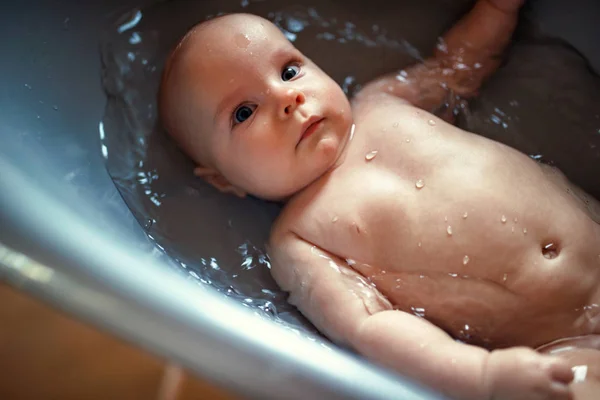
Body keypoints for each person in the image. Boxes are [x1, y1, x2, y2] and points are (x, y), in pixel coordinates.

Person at [158, 0, 600, 398]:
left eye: (289, 70)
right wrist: (482, 375)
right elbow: (372, 327)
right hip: (561, 348)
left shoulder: (381, 101)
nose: (287, 97)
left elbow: (457, 67)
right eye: (243, 112)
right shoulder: (299, 240)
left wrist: (496, 12)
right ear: (223, 180)